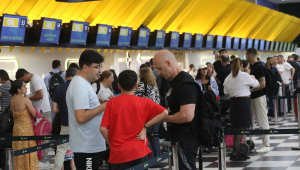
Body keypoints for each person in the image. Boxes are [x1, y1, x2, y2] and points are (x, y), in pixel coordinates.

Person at [100, 70, 168, 170]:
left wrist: (111, 143)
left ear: (119, 86)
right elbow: (165, 112)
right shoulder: (145, 102)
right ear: (136, 85)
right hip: (139, 151)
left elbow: (102, 129)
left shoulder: (111, 103)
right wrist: (145, 127)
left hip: (118, 153)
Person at [153, 49, 200, 169]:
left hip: (186, 138)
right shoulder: (173, 83)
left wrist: (161, 118)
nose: (158, 73)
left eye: (159, 68)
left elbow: (186, 116)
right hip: (178, 137)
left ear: (169, 63)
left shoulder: (185, 84)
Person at [66, 50, 107, 170]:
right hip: (86, 145)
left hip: (89, 143)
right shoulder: (80, 85)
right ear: (85, 67)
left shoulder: (84, 84)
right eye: (97, 67)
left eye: (101, 67)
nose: (100, 70)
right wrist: (102, 107)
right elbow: (81, 117)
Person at [224, 58, 259, 161]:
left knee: (237, 128)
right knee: (241, 129)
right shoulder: (244, 75)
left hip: (234, 103)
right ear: (242, 65)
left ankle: (239, 151)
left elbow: (226, 92)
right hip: (243, 103)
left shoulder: (228, 77)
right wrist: (253, 77)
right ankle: (235, 153)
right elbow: (257, 84)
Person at [16, 68, 51, 167]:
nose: (24, 83)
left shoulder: (35, 80)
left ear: (25, 75)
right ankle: (42, 158)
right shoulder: (34, 79)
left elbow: (40, 95)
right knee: (40, 135)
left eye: (22, 80)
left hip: (42, 111)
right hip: (41, 110)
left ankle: (44, 159)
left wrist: (27, 98)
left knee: (43, 136)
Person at [9, 80, 39, 169]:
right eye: (24, 86)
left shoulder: (12, 100)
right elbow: (34, 114)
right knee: (28, 150)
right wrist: (27, 98)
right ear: (19, 89)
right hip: (26, 128)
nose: (26, 88)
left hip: (16, 128)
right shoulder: (25, 99)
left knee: (19, 152)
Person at [52, 68, 77, 170]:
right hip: (79, 123)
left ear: (65, 77)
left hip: (65, 123)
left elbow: (54, 109)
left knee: (61, 149)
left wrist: (63, 110)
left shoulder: (59, 89)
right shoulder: (79, 88)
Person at [246, 48, 270, 153]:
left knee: (262, 120)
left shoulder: (258, 67)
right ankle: (264, 143)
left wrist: (250, 90)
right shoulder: (254, 67)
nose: (246, 57)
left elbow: (262, 84)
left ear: (250, 56)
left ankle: (266, 144)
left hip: (259, 97)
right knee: (259, 121)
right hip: (255, 97)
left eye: (246, 55)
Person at [134, 68, 160, 159]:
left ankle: (150, 159)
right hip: (157, 115)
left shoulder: (141, 85)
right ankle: (157, 158)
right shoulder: (154, 86)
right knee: (154, 137)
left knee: (147, 137)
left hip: (146, 116)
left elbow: (135, 99)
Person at [0, 70, 13, 169]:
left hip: (5, 116)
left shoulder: (3, 87)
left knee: (3, 138)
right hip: (13, 115)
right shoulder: (12, 84)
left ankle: (4, 165)